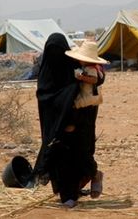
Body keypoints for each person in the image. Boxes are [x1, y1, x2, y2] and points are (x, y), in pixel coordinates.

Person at [32, 33, 104, 208]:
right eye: (52, 52)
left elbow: (98, 76)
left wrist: (72, 121)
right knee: (57, 157)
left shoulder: (72, 65)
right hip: (53, 126)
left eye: (58, 51)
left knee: (76, 156)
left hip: (79, 123)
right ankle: (68, 193)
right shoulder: (45, 74)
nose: (55, 55)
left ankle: (71, 194)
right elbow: (45, 99)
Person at [64, 42, 108, 199]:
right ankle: (83, 180)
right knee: (82, 147)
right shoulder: (95, 68)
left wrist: (81, 77)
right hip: (88, 108)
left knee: (82, 148)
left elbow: (93, 80)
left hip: (84, 107)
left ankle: (94, 173)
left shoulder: (91, 70)